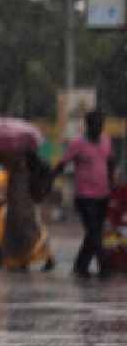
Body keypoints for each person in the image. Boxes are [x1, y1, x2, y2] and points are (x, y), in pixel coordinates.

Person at [54, 110, 116, 278]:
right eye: (96, 125)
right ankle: (104, 266)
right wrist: (50, 178)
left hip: (103, 194)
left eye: (101, 125)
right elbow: (63, 162)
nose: (99, 128)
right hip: (85, 196)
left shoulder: (106, 141)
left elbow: (110, 161)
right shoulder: (77, 144)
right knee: (94, 231)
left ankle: (80, 266)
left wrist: (112, 184)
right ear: (88, 126)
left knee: (94, 233)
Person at [0, 148, 54, 271]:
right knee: (19, 229)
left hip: (23, 197)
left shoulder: (24, 157)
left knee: (26, 228)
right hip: (16, 197)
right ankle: (21, 260)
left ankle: (45, 256)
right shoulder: (9, 148)